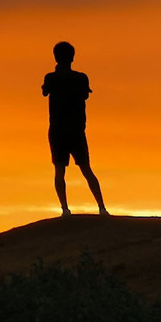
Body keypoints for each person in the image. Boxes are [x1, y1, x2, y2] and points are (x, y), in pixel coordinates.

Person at [42, 41, 108, 216]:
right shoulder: (80, 78)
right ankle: (101, 207)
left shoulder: (51, 78)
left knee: (60, 170)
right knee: (86, 169)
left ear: (55, 57)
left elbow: (45, 91)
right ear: (72, 57)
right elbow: (85, 95)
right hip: (75, 130)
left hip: (59, 130)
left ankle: (65, 209)